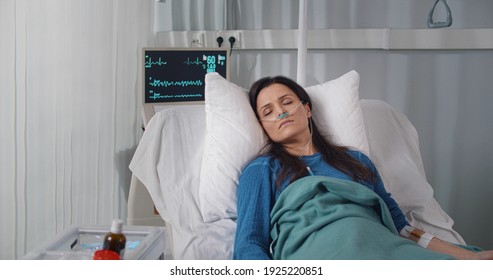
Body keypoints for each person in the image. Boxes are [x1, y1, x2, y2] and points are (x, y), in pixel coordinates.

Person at [233, 75, 493, 260]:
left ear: (307, 109)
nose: (280, 112)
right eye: (268, 110)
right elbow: (249, 245)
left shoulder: (356, 161)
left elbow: (402, 228)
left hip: (385, 251)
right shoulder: (262, 170)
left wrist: (465, 256)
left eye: (287, 102)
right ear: (263, 125)